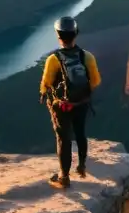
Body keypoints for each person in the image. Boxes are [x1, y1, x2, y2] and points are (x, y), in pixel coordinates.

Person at [39, 16, 101, 189]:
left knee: (63, 139)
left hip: (62, 106)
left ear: (58, 36)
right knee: (80, 133)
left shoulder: (54, 59)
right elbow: (96, 81)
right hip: (81, 103)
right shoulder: (86, 56)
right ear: (76, 34)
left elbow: (46, 83)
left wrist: (47, 94)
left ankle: (64, 177)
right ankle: (81, 167)